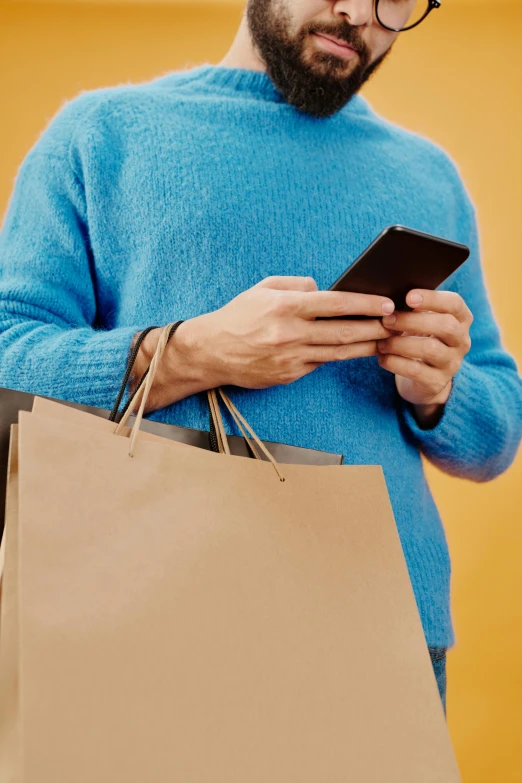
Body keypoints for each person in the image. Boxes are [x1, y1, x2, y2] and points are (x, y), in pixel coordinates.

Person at [0, 0, 521, 713]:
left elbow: (496, 436)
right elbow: (8, 355)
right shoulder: (101, 136)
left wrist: (439, 390)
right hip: (148, 624)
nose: (356, 13)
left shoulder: (428, 176)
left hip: (382, 634)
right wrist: (194, 352)